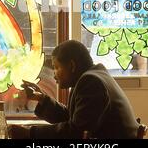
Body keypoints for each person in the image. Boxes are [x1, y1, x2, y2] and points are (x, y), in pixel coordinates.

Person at [8, 40, 139, 139]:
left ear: (72, 66)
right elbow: (73, 120)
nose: (54, 74)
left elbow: (75, 132)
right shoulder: (92, 77)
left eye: (56, 67)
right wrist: (41, 98)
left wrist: (30, 133)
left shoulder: (91, 82)